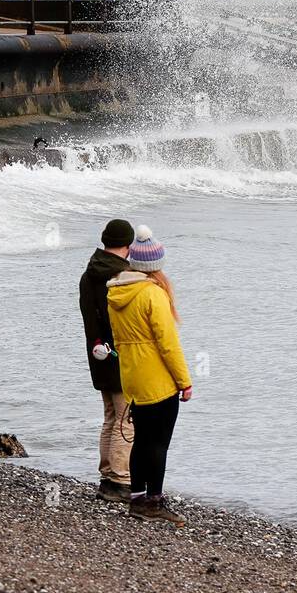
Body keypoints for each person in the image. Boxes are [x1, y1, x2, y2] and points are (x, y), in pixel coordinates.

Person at [106, 225, 193, 526]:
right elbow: (168, 345)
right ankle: (153, 502)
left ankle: (136, 499)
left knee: (142, 440)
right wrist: (184, 381)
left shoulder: (115, 292)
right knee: (158, 444)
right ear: (156, 264)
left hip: (132, 377)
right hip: (158, 380)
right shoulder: (153, 295)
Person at [79, 218, 136, 503]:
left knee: (110, 417)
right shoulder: (123, 276)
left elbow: (91, 318)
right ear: (128, 243)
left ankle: (106, 476)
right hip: (120, 355)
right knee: (126, 420)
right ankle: (120, 480)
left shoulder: (89, 273)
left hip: (97, 352)